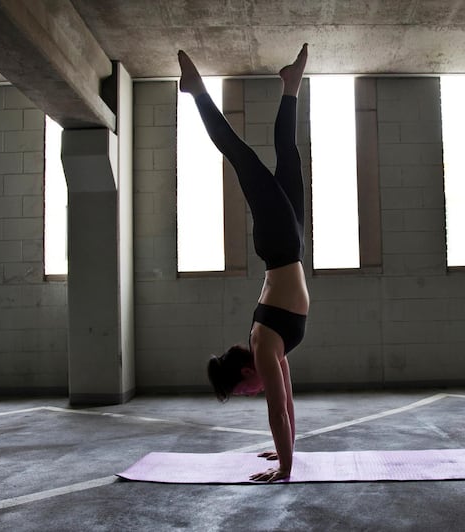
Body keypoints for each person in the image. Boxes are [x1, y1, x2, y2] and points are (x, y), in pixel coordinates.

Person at [177, 44, 309, 483]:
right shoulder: (268, 348)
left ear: (246, 374)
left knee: (240, 156)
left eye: (243, 390)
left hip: (279, 242)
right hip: (290, 244)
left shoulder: (265, 347)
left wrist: (286, 471)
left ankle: (195, 91)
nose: (252, 393)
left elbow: (275, 409)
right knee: (287, 153)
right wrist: (282, 452)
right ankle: (290, 85)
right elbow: (286, 405)